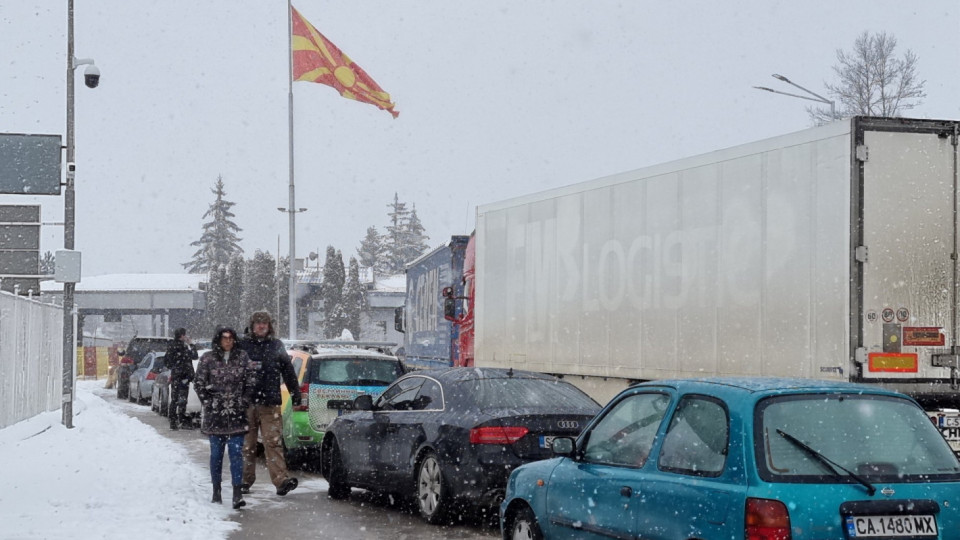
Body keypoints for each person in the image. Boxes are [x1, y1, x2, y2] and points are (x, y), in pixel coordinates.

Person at [237, 311, 302, 496]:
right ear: (252, 325)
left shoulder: (276, 346)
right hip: (247, 403)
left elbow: (289, 372)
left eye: (265, 322)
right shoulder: (242, 346)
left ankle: (281, 481)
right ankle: (244, 480)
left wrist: (296, 396)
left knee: (273, 443)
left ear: (269, 325)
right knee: (247, 445)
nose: (261, 326)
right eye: (258, 323)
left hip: (270, 403)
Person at [194, 327, 256, 509]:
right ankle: (216, 491)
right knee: (216, 455)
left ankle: (237, 493)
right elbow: (199, 383)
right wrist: (208, 402)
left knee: (236, 453)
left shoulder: (243, 357)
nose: (228, 341)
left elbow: (251, 380)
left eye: (231, 338)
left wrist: (244, 400)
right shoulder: (207, 358)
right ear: (218, 340)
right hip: (215, 417)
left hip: (236, 415)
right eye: (224, 338)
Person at [165, 328, 198, 430]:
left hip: (176, 376)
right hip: (183, 377)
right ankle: (181, 420)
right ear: (182, 336)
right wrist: (192, 345)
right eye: (185, 335)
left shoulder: (171, 346)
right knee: (182, 399)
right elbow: (194, 356)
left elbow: (167, 361)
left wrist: (174, 368)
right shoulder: (182, 347)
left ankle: (173, 421)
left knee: (174, 399)